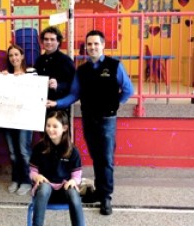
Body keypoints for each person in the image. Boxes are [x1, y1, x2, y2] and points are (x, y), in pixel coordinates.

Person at [46, 30, 133, 215]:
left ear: (103, 45)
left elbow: (128, 90)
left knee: (106, 159)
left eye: (96, 44)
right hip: (88, 119)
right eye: (89, 44)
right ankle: (99, 191)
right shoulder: (82, 70)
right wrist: (56, 103)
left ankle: (106, 197)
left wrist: (115, 104)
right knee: (96, 157)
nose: (92, 47)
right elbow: (74, 94)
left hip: (107, 120)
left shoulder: (115, 66)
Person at [22, 111, 95, 226]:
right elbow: (32, 171)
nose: (50, 129)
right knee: (44, 188)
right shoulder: (40, 148)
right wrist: (36, 177)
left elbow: (77, 175)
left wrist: (72, 181)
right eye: (48, 125)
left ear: (65, 128)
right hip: (45, 191)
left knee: (74, 193)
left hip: (64, 191)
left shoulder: (72, 150)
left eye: (55, 126)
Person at [0, 44, 33, 195]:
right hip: (8, 119)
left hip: (25, 119)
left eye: (16, 55)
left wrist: (25, 79)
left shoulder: (32, 73)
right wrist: (3, 79)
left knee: (23, 151)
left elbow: (37, 91)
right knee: (13, 152)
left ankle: (26, 181)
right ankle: (16, 179)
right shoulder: (5, 76)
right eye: (11, 55)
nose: (14, 58)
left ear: (22, 56)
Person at [34, 26, 75, 116]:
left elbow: (73, 85)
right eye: (46, 39)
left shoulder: (66, 60)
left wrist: (58, 86)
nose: (49, 42)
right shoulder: (39, 60)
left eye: (52, 39)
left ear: (58, 42)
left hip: (59, 108)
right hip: (41, 106)